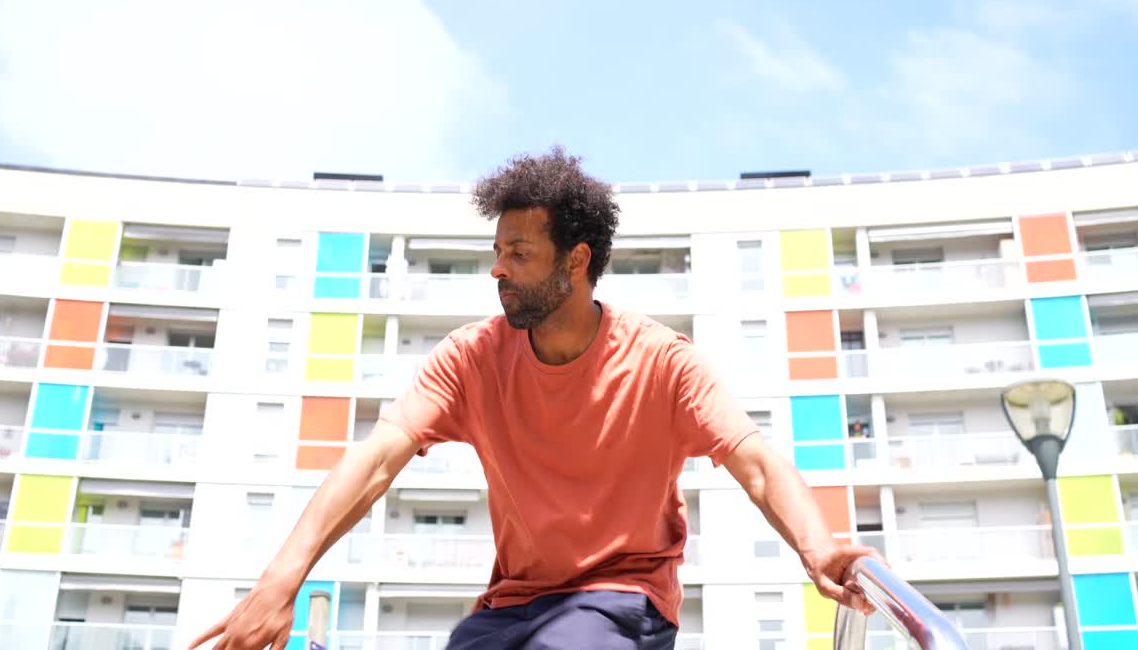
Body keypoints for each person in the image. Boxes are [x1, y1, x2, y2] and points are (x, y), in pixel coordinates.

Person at [191, 147, 878, 650]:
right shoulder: (471, 357)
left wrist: (817, 551)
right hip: (511, 606)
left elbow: (754, 461)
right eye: (497, 250)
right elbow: (374, 462)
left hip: (619, 602)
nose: (497, 268)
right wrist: (279, 580)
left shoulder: (662, 362)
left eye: (519, 253)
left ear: (575, 262)